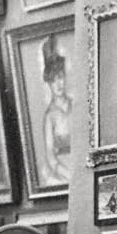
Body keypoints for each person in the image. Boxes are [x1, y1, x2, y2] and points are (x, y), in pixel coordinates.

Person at [42, 39, 72, 186]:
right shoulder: (50, 116)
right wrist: (69, 175)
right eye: (53, 80)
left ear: (65, 78)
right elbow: (50, 156)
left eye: (60, 78)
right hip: (63, 169)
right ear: (49, 83)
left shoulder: (76, 105)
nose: (58, 84)